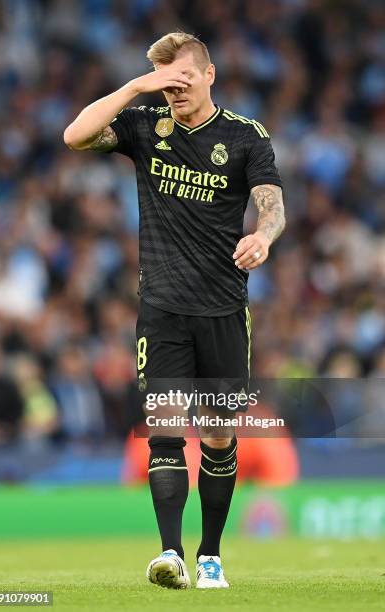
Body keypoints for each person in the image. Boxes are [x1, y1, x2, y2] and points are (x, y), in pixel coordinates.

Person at [64, 32, 285, 589]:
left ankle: (210, 555)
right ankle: (171, 554)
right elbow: (75, 135)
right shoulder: (145, 124)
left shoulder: (244, 137)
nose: (175, 90)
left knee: (216, 433)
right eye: (166, 81)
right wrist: (137, 86)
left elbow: (273, 207)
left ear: (209, 75)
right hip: (161, 308)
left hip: (223, 309)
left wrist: (264, 236)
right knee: (164, 428)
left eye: (183, 78)